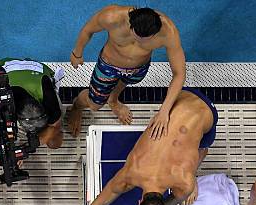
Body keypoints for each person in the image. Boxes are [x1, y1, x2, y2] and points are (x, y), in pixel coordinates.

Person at [64, 87, 217, 205]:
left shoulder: (185, 182)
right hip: (183, 99)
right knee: (195, 156)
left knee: (201, 149)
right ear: (139, 203)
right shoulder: (134, 173)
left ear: (140, 203)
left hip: (196, 104)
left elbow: (99, 204)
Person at [67, 6, 186, 139]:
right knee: (94, 105)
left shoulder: (168, 32)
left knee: (122, 85)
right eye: (137, 36)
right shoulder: (112, 17)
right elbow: (88, 30)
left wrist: (164, 111)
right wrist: (77, 53)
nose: (140, 42)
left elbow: (179, 74)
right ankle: (76, 106)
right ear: (131, 24)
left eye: (146, 40)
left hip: (138, 69)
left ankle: (113, 101)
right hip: (108, 67)